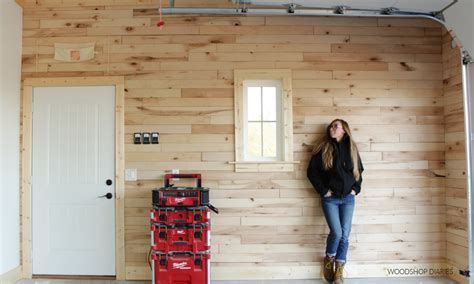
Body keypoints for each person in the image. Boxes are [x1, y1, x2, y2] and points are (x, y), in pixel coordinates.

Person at [307, 119, 364, 284]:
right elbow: (312, 172)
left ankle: (339, 271)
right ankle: (330, 258)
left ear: (344, 130)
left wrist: (355, 190)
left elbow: (359, 172)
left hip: (348, 199)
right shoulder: (323, 148)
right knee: (337, 233)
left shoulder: (352, 149)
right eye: (331, 126)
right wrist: (324, 191)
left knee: (345, 235)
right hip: (330, 199)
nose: (331, 128)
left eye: (335, 126)